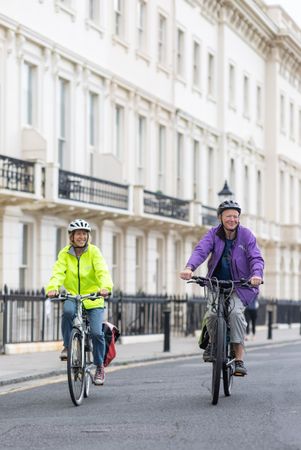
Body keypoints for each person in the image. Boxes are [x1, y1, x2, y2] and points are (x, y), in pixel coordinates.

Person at [179, 200, 264, 376]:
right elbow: (201, 251)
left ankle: (239, 359)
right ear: (220, 218)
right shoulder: (213, 234)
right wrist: (189, 268)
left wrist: (256, 275)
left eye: (235, 216)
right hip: (216, 283)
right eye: (228, 216)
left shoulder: (246, 235)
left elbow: (256, 258)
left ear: (239, 218)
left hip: (239, 285)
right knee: (211, 313)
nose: (232, 219)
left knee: (235, 314)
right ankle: (212, 343)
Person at [46, 219, 113, 386]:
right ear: (72, 236)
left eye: (84, 234)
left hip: (93, 297)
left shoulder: (94, 252)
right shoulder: (65, 253)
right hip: (73, 296)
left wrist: (105, 287)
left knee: (97, 333)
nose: (81, 237)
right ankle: (67, 347)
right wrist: (53, 287)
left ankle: (99, 366)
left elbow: (102, 271)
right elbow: (58, 272)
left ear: (88, 236)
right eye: (78, 234)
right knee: (68, 312)